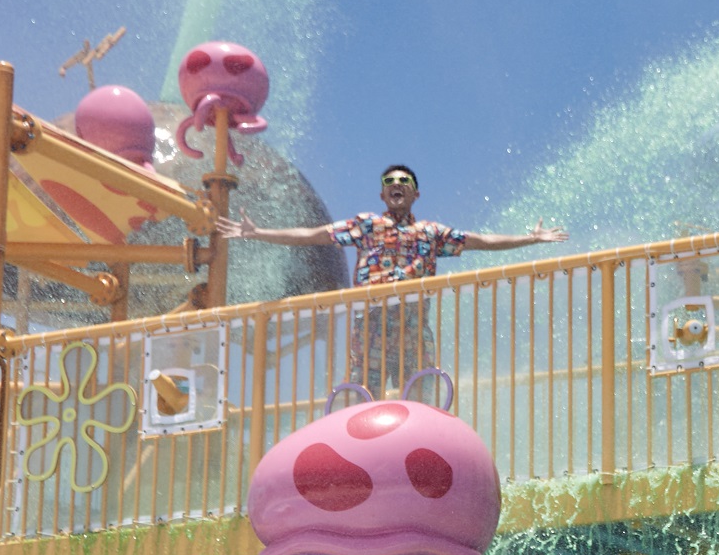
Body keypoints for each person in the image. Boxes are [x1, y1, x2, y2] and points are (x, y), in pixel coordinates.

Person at [214, 165, 567, 391]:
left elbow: (482, 241)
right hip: (371, 325)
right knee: (364, 393)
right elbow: (313, 235)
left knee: (419, 392)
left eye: (404, 181)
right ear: (383, 194)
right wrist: (258, 233)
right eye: (390, 182)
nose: (397, 184)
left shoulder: (431, 233)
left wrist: (531, 239)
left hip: (412, 329)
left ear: (415, 193)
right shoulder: (367, 225)